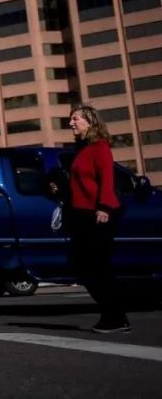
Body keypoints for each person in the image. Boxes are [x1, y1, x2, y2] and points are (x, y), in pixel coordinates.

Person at [65, 103, 129, 334]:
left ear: (90, 122)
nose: (71, 123)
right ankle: (113, 315)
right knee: (84, 268)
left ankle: (116, 318)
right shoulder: (82, 149)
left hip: (98, 215)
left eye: (75, 119)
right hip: (81, 215)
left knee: (98, 269)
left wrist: (104, 207)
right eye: (71, 119)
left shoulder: (100, 147)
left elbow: (107, 179)